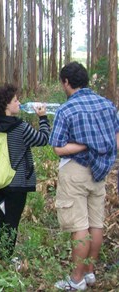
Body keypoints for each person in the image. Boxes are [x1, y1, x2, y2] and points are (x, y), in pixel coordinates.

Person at [50, 62, 119, 290]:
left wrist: (84, 145)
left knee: (80, 226)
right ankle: (90, 272)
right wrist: (103, 153)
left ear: (66, 82)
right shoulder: (107, 105)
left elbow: (58, 148)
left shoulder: (66, 109)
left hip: (75, 172)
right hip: (100, 171)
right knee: (96, 223)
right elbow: (116, 138)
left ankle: (77, 280)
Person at [0, 84, 49, 263]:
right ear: (6, 105)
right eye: (15, 100)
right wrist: (43, 118)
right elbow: (43, 139)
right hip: (17, 183)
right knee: (12, 221)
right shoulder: (20, 127)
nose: (19, 103)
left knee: (1, 216)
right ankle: (6, 258)